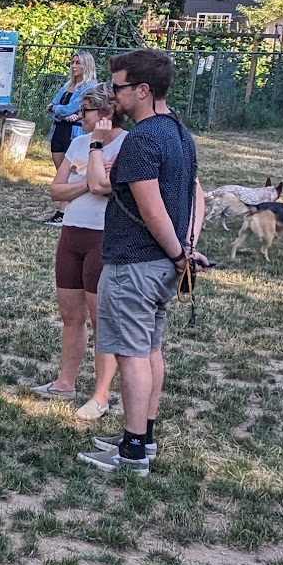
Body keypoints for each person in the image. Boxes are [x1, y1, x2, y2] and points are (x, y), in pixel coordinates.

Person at [80, 49, 204, 474]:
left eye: (118, 87)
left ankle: (132, 452)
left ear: (143, 91)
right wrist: (185, 249)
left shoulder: (143, 140)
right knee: (150, 349)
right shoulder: (180, 134)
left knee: (132, 354)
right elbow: (193, 197)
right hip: (163, 266)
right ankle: (143, 438)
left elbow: (152, 211)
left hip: (135, 264)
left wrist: (178, 251)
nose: (113, 96)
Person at [33, 83, 122, 414]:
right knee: (71, 315)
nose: (79, 116)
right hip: (72, 234)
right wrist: (86, 183)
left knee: (102, 321)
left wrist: (90, 184)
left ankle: (100, 396)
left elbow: (111, 189)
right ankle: (64, 383)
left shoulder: (127, 145)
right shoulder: (79, 144)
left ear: (105, 114)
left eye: (85, 111)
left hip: (104, 237)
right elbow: (56, 191)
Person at [42, 51, 96, 223]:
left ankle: (67, 212)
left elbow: (69, 107)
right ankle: (63, 212)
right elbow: (53, 107)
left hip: (75, 133)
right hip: (59, 130)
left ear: (86, 65)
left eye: (78, 63)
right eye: (72, 62)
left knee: (74, 173)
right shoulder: (66, 86)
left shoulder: (90, 87)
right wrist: (60, 113)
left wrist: (58, 110)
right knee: (61, 174)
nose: (74, 66)